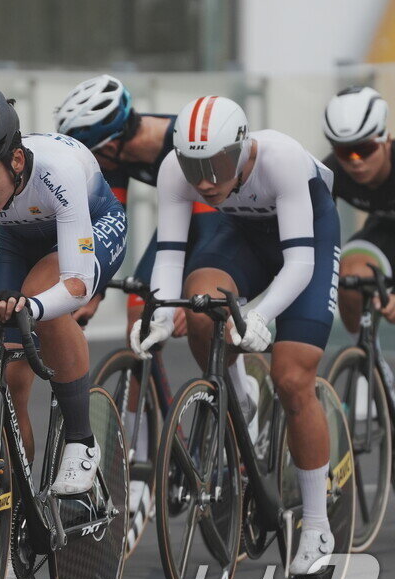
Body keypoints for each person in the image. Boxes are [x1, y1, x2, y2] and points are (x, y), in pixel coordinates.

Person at [131, 95, 341, 576]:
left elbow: (300, 264)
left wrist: (261, 315)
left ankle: (315, 524)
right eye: (193, 166)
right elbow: (169, 254)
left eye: (217, 164)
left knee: (291, 378)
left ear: (243, 149)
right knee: (201, 307)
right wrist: (160, 317)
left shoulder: (281, 158)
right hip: (242, 238)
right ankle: (240, 394)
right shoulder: (173, 171)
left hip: (306, 243)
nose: (204, 181)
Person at [54, 75, 256, 515]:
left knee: (201, 313)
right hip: (177, 224)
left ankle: (242, 393)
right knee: (138, 322)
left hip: (214, 223)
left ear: (110, 144)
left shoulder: (183, 143)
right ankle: (139, 459)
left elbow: (200, 237)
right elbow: (111, 224)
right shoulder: (115, 157)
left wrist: (183, 298)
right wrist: (93, 290)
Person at [0, 85, 127, 504]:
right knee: (5, 372)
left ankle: (82, 441)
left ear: (16, 161)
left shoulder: (58, 170)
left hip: (93, 228)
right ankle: (20, 517)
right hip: (20, 240)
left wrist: (34, 306)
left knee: (39, 302)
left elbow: (76, 284)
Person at [322, 86, 395, 331]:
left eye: (365, 149)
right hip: (383, 231)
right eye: (344, 151)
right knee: (349, 276)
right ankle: (363, 357)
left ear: (385, 138)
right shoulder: (331, 172)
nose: (356, 162)